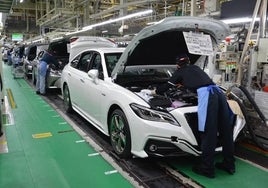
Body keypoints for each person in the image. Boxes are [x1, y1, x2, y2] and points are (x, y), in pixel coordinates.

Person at [143, 54, 235, 178]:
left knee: (209, 131)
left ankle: (207, 168)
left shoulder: (179, 72)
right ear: (189, 61)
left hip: (208, 96)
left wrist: (153, 91)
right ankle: (229, 164)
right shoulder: (196, 68)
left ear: (177, 65)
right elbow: (195, 81)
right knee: (225, 130)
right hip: (218, 93)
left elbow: (166, 87)